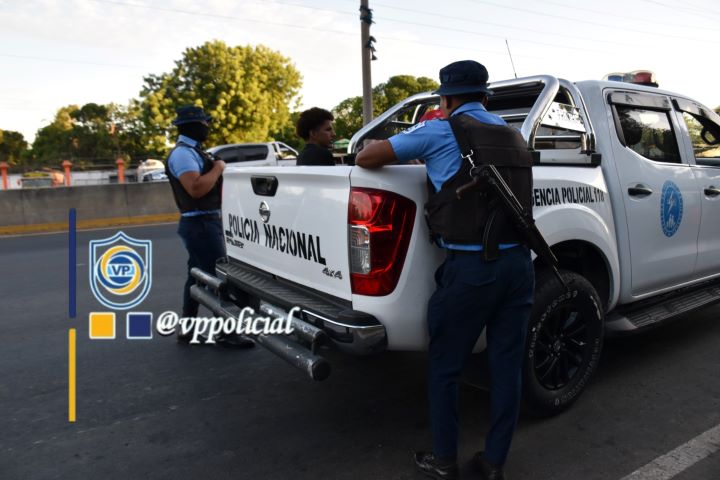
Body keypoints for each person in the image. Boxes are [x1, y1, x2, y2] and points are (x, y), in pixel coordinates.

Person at [356, 60, 535, 480]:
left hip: (472, 269)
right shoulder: (513, 133)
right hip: (519, 265)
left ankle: (444, 460)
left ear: (446, 99)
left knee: (445, 367)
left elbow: (366, 156)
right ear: (485, 96)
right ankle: (494, 462)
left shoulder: (439, 130)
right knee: (506, 368)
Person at [165, 105, 254, 348]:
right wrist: (218, 167)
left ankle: (187, 329)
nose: (208, 127)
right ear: (194, 125)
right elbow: (196, 189)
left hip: (203, 223)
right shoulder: (183, 154)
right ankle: (226, 333)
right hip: (200, 224)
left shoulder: (194, 151)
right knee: (220, 279)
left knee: (196, 278)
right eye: (205, 123)